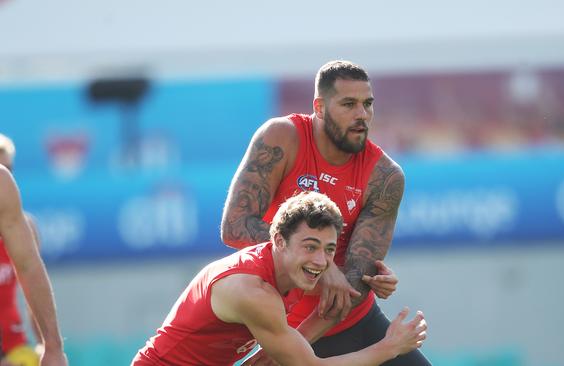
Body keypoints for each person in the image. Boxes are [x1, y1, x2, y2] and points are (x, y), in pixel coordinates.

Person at [221, 60, 430, 365]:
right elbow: (235, 227)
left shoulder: (384, 176)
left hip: (348, 324)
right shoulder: (282, 138)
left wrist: (289, 350)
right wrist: (322, 264)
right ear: (319, 107)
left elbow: (354, 286)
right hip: (278, 321)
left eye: (367, 104)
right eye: (349, 104)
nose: (362, 115)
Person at [133, 192, 426, 365]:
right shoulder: (253, 292)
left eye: (328, 250)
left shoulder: (291, 268)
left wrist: (373, 275)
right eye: (310, 246)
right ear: (279, 240)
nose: (321, 261)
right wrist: (390, 347)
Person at [0, 134, 68, 366]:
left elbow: (29, 268)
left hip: (12, 346)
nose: (7, 171)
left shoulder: (3, 189)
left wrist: (51, 347)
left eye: (10, 167)